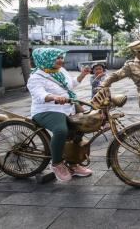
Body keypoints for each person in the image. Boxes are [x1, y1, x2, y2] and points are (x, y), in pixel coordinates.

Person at [27, 48, 93, 182]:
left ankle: (73, 164)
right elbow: (40, 95)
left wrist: (82, 75)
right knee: (61, 131)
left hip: (67, 107)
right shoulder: (35, 77)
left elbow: (69, 85)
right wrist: (54, 97)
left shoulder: (60, 71)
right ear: (45, 59)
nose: (60, 60)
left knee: (79, 130)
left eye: (61, 57)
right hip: (46, 110)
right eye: (56, 58)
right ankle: (56, 164)